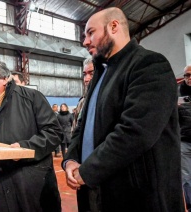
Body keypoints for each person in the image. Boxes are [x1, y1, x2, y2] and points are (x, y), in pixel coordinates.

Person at [63, 7, 184, 212]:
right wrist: (72, 159)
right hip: (95, 187)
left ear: (113, 26)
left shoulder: (149, 64)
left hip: (136, 196)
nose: (85, 41)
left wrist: (88, 170)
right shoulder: (101, 74)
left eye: (91, 32)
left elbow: (135, 132)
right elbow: (83, 124)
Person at [0, 59, 63, 212]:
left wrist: (24, 148)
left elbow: (54, 133)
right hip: (1, 187)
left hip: (34, 186)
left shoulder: (32, 97)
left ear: (5, 79)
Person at [179, 65, 191, 211]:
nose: (189, 78)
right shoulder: (178, 94)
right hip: (184, 141)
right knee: (186, 177)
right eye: (186, 75)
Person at [72, 58, 94, 131]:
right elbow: (75, 128)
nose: (86, 79)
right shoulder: (82, 102)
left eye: (92, 74)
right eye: (84, 74)